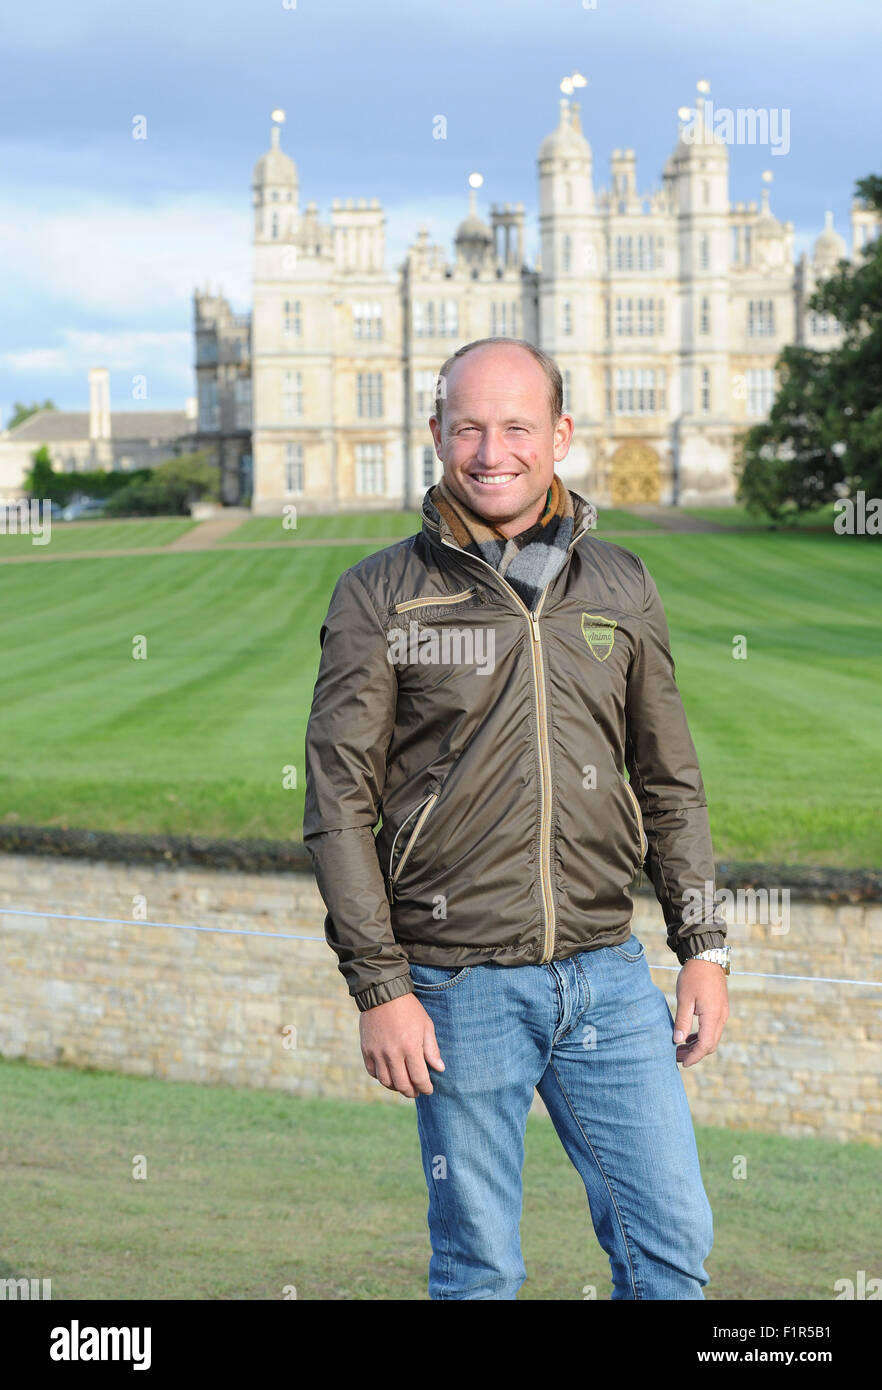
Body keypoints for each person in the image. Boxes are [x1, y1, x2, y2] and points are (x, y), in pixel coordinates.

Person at [304, 337, 730, 1300]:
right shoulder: (381, 595)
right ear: (436, 435)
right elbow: (338, 804)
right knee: (480, 1265)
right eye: (468, 427)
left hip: (610, 980)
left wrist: (701, 944)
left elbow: (669, 779)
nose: (491, 451)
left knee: (670, 1248)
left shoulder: (622, 586)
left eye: (517, 427)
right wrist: (379, 987)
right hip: (458, 988)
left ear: (561, 437)